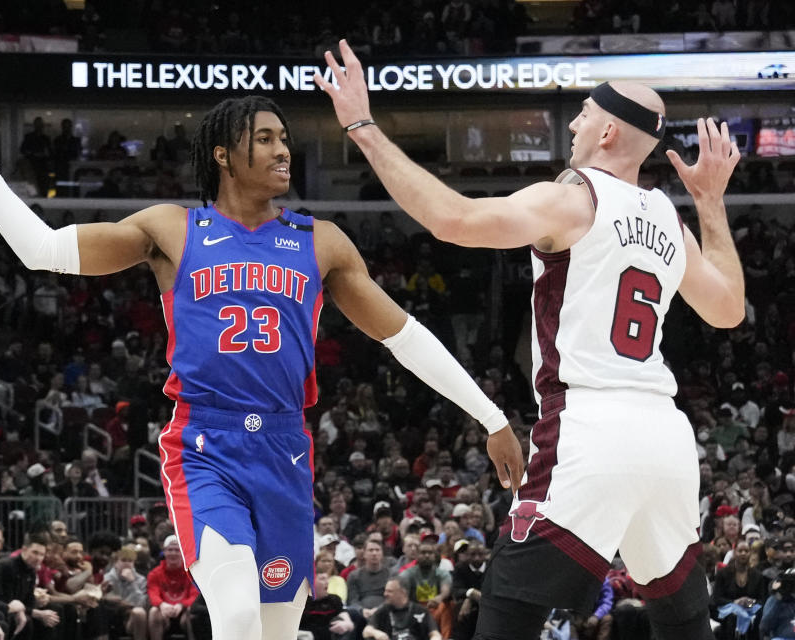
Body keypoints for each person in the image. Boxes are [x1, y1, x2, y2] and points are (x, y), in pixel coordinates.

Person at [0, 94, 523, 640]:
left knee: (274, 628)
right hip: (204, 443)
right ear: (223, 154)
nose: (282, 149)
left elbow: (405, 337)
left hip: (285, 448)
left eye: (284, 138)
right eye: (264, 139)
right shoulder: (171, 229)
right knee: (236, 611)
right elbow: (43, 249)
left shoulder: (321, 242)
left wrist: (491, 416)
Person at [317, 39, 744, 640]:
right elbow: (728, 310)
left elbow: (452, 220)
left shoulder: (572, 199)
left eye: (586, 115)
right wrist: (708, 200)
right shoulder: (668, 220)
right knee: (682, 618)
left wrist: (363, 127)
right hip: (667, 440)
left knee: (509, 606)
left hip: (592, 426)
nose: (574, 124)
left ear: (607, 136)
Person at [146, 535, 198, 640]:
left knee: (192, 611)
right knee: (153, 612)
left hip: (184, 613)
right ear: (164, 552)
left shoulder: (192, 573)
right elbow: (153, 593)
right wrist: (162, 605)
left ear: (182, 553)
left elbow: (194, 595)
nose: (173, 553)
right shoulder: (154, 574)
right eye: (170, 550)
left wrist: (182, 605)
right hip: (163, 614)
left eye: (177, 550)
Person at [363, 577, 441, 640]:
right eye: (385, 591)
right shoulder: (383, 610)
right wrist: (376, 633)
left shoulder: (420, 611)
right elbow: (366, 631)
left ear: (403, 592)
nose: (385, 594)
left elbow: (435, 634)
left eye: (390, 591)